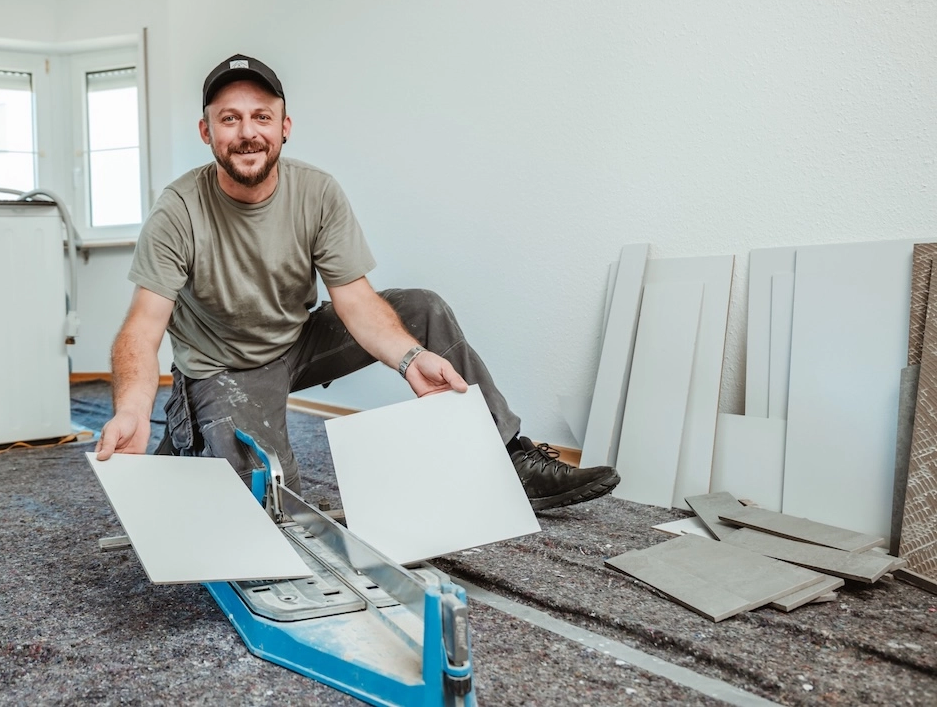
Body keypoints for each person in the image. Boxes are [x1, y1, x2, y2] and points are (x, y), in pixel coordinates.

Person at [94, 54, 620, 511]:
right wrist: (131, 409)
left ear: (285, 127)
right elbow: (142, 328)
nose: (247, 132)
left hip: (297, 340)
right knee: (266, 507)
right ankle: (189, 440)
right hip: (225, 366)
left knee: (421, 309)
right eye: (229, 119)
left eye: (261, 116)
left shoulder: (317, 193)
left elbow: (356, 301)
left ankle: (505, 455)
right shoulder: (179, 211)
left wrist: (411, 359)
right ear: (206, 131)